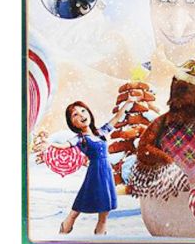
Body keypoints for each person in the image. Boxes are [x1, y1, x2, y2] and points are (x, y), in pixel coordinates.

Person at [50, 99, 135, 235]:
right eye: (75, 115)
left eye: (83, 111)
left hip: (106, 174)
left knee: (105, 211)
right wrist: (49, 144)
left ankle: (100, 238)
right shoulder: (79, 138)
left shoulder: (100, 132)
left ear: (89, 112)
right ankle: (64, 230)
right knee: (78, 206)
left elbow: (117, 118)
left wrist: (128, 102)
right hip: (94, 174)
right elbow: (64, 145)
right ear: (72, 123)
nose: (81, 115)